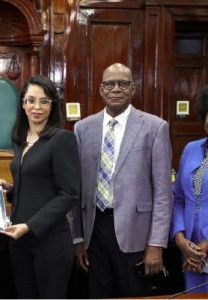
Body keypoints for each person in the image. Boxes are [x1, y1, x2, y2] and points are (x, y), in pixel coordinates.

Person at [71, 63, 173, 298]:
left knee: (134, 295)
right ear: (101, 89)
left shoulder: (155, 127)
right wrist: (78, 238)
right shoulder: (82, 129)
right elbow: (76, 191)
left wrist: (156, 244)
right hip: (94, 231)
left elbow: (163, 193)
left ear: (133, 88)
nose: (116, 89)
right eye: (110, 83)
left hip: (136, 233)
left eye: (123, 83)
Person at [0, 75, 80, 298]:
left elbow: (69, 194)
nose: (37, 107)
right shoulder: (20, 140)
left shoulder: (63, 139)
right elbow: (38, 186)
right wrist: (10, 189)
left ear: (52, 106)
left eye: (44, 101)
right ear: (22, 104)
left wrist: (29, 226)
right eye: (30, 100)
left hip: (49, 242)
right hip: (19, 240)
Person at [171, 84, 208, 292]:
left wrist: (205, 244)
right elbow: (178, 197)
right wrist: (179, 238)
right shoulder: (191, 149)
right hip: (189, 248)